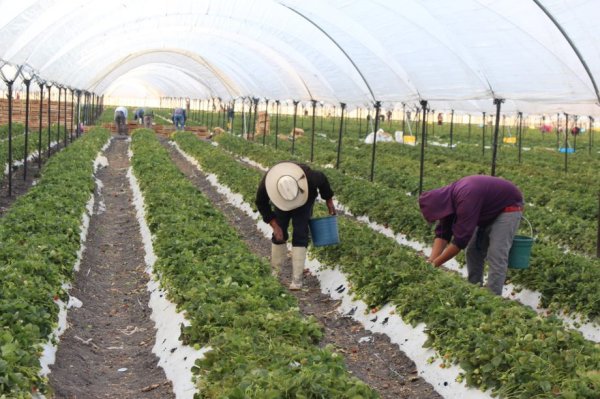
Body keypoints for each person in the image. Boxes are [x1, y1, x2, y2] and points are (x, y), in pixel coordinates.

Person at [418, 175, 523, 295]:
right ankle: (474, 289)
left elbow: (461, 240)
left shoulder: (465, 197)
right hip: (486, 208)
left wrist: (436, 264)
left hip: (508, 207)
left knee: (496, 253)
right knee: (473, 250)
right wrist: (431, 261)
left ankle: (493, 297)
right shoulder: (447, 200)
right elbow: (443, 232)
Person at [256, 161, 336, 290]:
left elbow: (323, 181)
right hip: (282, 200)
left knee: (300, 232)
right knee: (279, 233)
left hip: (304, 197)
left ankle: (297, 279)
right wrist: (274, 225)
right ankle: (275, 271)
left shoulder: (310, 178)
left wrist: (329, 201)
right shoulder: (268, 182)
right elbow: (261, 203)